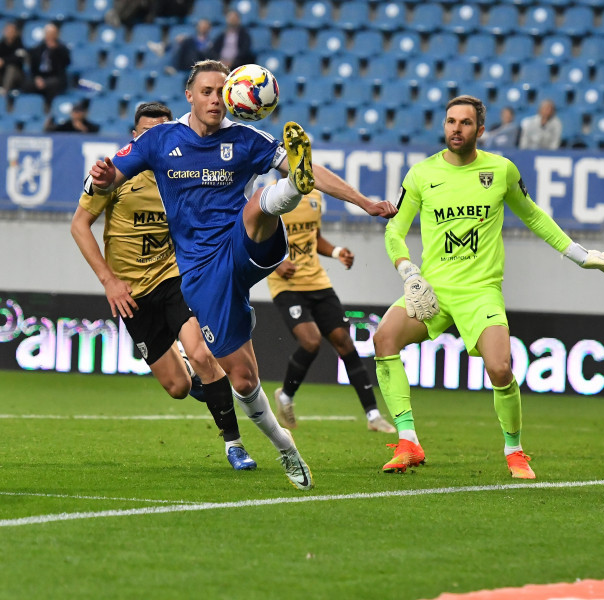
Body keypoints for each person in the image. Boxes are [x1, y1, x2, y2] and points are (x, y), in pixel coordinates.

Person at [88, 60, 396, 491]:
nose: (216, 99)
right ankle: (284, 446)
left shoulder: (246, 139)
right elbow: (107, 179)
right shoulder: (160, 140)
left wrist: (363, 202)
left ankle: (291, 188)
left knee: (257, 205)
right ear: (190, 96)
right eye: (208, 92)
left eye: (222, 91)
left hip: (243, 244)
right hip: (199, 272)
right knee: (244, 378)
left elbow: (313, 169)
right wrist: (102, 180)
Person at [372, 95, 604, 479]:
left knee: (500, 367)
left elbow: (535, 217)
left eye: (465, 123)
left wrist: (579, 254)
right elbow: (395, 229)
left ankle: (514, 450)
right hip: (433, 291)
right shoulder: (421, 174)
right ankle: (408, 441)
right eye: (451, 121)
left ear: (481, 130)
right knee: (383, 339)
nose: (456, 128)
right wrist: (407, 269)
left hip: (480, 292)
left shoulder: (501, 170)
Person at [71, 101, 257, 471]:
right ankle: (192, 372)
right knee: (178, 387)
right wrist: (109, 282)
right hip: (130, 292)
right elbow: (79, 226)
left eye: (162, 132)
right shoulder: (113, 176)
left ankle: (234, 445)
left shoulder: (188, 173)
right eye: (146, 133)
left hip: (174, 277)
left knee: (204, 354)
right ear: (136, 138)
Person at [264, 185, 396, 434]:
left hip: (318, 283)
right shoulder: (269, 195)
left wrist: (336, 252)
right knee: (311, 341)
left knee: (344, 342)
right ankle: (286, 396)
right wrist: (277, 264)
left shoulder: (314, 195)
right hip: (287, 286)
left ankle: (373, 415)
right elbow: (255, 237)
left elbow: (313, 238)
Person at [25, 22, 70, 105]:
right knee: (27, 84)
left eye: (52, 33)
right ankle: (32, 107)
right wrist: (37, 78)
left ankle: (49, 108)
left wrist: (56, 50)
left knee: (53, 85)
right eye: (48, 33)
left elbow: (66, 63)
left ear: (56, 35)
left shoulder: (62, 48)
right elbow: (33, 66)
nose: (50, 36)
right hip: (40, 76)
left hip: (55, 77)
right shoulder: (38, 48)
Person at [0, 21, 26, 95]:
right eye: (7, 31)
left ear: (15, 32)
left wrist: (4, 61)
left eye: (11, 31)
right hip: (3, 74)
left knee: (11, 68)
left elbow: (19, 58)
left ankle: (4, 92)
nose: (9, 33)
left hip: (17, 76)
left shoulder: (19, 43)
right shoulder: (2, 44)